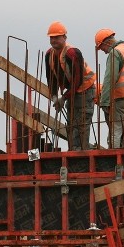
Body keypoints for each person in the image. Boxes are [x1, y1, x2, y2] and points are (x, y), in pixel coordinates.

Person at [44, 21, 96, 150]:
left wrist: (64, 98)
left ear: (64, 38)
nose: (54, 40)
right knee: (71, 121)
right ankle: (74, 149)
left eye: (57, 37)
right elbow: (51, 79)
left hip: (85, 89)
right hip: (72, 91)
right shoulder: (49, 55)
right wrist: (55, 96)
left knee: (82, 120)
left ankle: (83, 151)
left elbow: (77, 81)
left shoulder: (72, 53)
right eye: (52, 37)